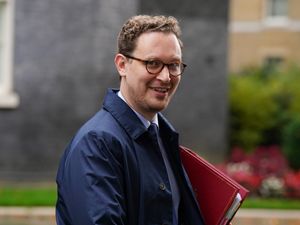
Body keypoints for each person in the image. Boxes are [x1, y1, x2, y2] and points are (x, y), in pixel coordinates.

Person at [56, 15, 205, 225]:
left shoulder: (163, 136)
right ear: (122, 65)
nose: (165, 77)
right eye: (153, 63)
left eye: (174, 65)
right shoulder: (96, 145)